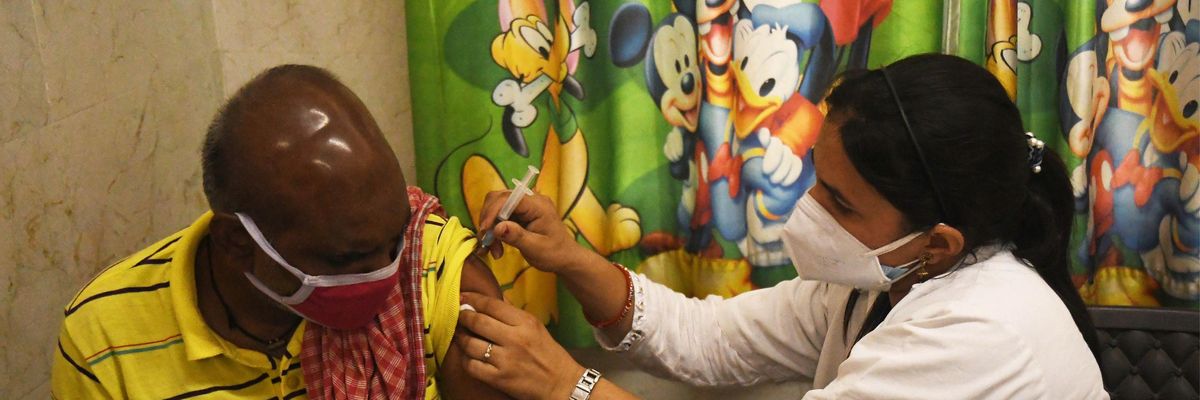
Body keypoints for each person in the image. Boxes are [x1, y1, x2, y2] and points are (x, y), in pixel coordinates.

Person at [455, 54, 1108, 399]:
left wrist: (568, 384)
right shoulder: (880, 278)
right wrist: (571, 258)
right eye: (816, 179)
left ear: (938, 243)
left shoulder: (979, 334)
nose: (811, 209)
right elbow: (708, 340)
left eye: (841, 203)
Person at [52, 65, 509, 399]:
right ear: (237, 243)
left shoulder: (429, 264)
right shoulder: (103, 337)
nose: (387, 273)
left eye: (395, 236)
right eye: (347, 259)